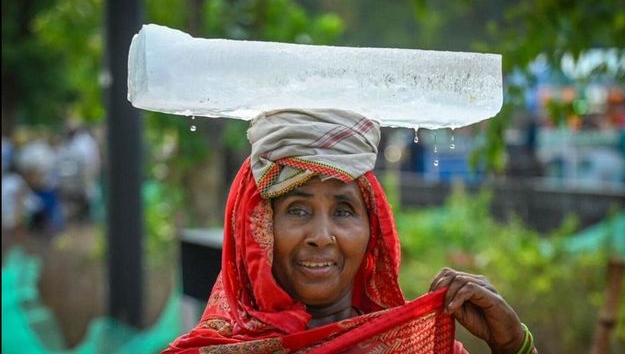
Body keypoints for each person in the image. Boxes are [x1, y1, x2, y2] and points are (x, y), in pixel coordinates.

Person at [165, 109, 537, 353]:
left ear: (372, 230)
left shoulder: (416, 349)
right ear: (257, 232)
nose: (323, 236)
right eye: (297, 210)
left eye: (343, 211)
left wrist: (513, 345)